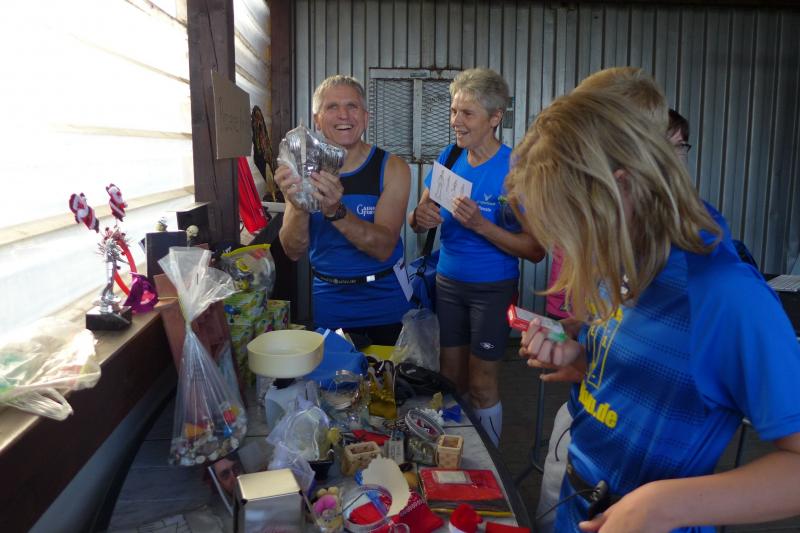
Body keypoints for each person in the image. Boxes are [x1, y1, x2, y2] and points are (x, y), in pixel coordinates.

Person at [508, 88, 800, 532]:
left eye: (572, 221)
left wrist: (665, 505)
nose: (567, 244)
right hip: (577, 502)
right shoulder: (619, 257)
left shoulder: (726, 295)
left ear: (621, 187)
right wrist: (582, 360)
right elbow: (654, 376)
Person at [409, 68, 544, 446]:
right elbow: (417, 220)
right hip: (448, 284)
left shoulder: (516, 169)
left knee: (482, 384)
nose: (456, 121)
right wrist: (418, 218)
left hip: (493, 289)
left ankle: (490, 463)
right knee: (450, 379)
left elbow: (536, 249)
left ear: (495, 117)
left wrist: (482, 226)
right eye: (454, 111)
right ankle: (454, 456)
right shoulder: (450, 156)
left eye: (467, 113)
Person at [275, 75, 412, 345]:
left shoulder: (392, 167)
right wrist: (299, 205)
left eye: (352, 106)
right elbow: (292, 250)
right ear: (317, 119)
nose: (344, 115)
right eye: (332, 107)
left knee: (389, 372)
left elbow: (384, 247)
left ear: (366, 117)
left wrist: (335, 211)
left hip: (386, 302)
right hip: (331, 303)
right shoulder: (300, 170)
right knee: (336, 372)